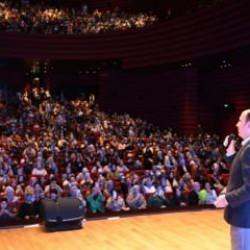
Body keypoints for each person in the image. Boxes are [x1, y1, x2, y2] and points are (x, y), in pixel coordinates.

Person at [214, 109, 250, 250]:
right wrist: (230, 151)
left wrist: (227, 198)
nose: (236, 124)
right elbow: (239, 170)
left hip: (245, 217)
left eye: (240, 120)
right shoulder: (246, 147)